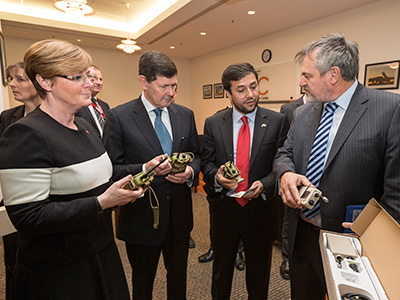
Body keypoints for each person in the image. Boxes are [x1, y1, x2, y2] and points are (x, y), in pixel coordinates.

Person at [0, 39, 144, 300]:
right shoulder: (25, 134)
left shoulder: (84, 126)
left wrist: (135, 178)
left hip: (101, 252)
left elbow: (97, 181)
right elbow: (27, 217)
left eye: (87, 76)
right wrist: (101, 203)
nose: (89, 84)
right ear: (45, 82)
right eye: (78, 77)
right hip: (60, 270)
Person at [273, 33, 400, 300]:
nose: (301, 82)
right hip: (303, 236)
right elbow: (284, 152)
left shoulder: (389, 109)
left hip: (355, 243)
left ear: (333, 74)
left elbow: (395, 191)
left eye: (307, 76)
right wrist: (285, 173)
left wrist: (375, 242)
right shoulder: (303, 113)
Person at [103, 50, 201, 300]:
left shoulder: (186, 115)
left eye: (175, 86)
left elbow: (197, 156)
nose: (171, 92)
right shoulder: (119, 117)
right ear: (143, 82)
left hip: (179, 218)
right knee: (143, 283)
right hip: (141, 218)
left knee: (178, 279)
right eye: (164, 86)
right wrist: (144, 169)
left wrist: (190, 172)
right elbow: (110, 170)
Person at [202, 62, 287, 299]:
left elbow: (281, 164)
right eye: (241, 90)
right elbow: (206, 164)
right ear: (228, 94)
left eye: (253, 86)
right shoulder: (213, 123)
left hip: (260, 209)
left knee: (259, 274)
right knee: (221, 272)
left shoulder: (277, 121)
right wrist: (217, 178)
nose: (250, 94)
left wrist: (266, 184)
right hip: (225, 209)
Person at [0, 62, 42, 300]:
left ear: (38, 82)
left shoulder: (57, 115)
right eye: (11, 79)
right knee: (13, 262)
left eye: (20, 79)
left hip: (46, 205)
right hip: (15, 201)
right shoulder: (7, 117)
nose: (12, 85)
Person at [278, 95, 306, 280]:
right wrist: (286, 171)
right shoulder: (291, 109)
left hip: (315, 179)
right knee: (290, 217)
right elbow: (283, 146)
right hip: (293, 173)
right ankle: (287, 258)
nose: (303, 81)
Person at [75, 65, 110, 138]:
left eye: (101, 79)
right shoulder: (77, 103)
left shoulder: (105, 106)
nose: (99, 83)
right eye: (94, 79)